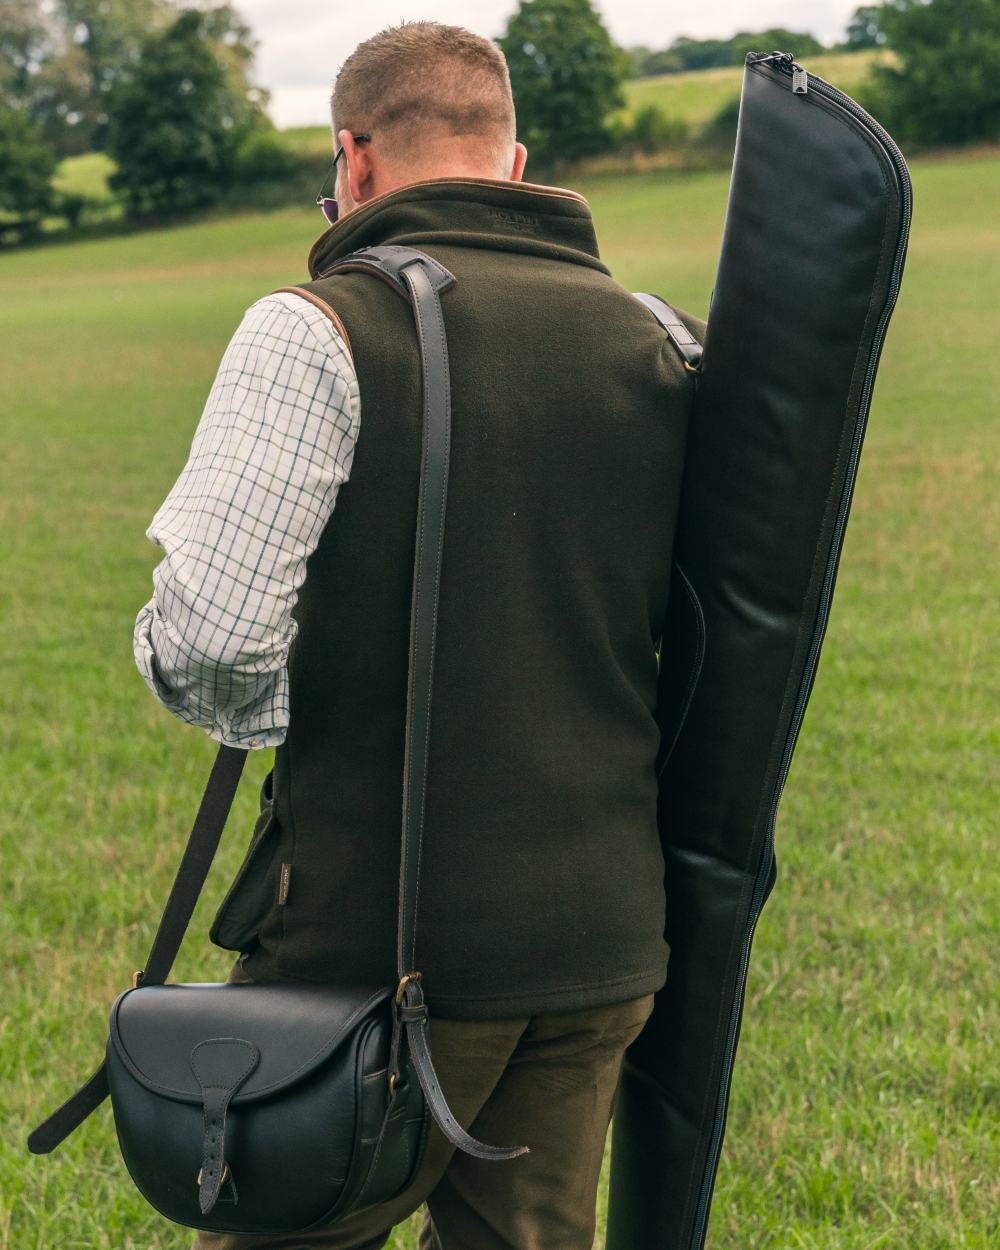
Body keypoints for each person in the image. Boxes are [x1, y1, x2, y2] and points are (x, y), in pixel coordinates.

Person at [132, 19, 704, 1250]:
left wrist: (278, 715)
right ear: (514, 158)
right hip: (601, 939)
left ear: (355, 157)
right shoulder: (659, 337)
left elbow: (213, 642)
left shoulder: (318, 326)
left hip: (370, 957)